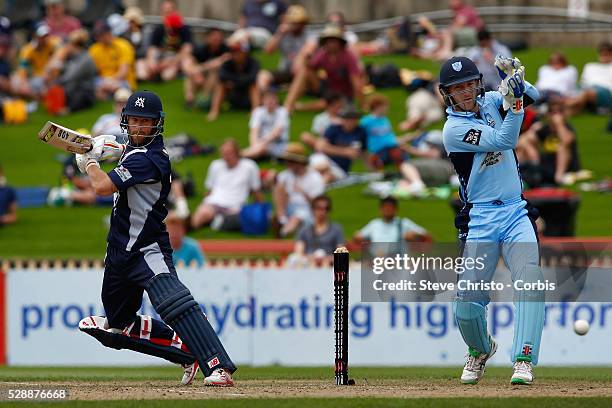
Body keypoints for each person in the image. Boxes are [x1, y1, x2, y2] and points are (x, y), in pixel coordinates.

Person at [74, 90, 236, 386]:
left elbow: (100, 186)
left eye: (143, 122)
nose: (137, 127)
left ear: (156, 125)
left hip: (147, 247)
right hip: (119, 252)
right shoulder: (133, 152)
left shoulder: (152, 159)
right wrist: (107, 148)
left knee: (174, 302)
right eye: (133, 120)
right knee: (114, 329)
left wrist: (91, 162)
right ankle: (186, 353)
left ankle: (218, 366)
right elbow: (123, 153)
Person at [438, 55, 542, 385]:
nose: (466, 92)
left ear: (477, 84)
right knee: (467, 304)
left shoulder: (492, 100)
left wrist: (517, 82)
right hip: (481, 217)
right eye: (458, 88)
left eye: (469, 84)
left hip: (515, 212)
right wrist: (515, 106)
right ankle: (481, 349)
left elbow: (536, 94)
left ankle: (524, 359)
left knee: (529, 282)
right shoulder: (453, 130)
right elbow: (505, 141)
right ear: (447, 93)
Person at [284, 24, 363, 112]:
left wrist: (362, 104)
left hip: (343, 94)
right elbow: (310, 68)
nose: (330, 44)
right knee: (305, 71)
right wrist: (305, 60)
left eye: (332, 41)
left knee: (331, 104)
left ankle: (300, 107)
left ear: (340, 42)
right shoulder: (323, 54)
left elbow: (356, 82)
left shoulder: (348, 56)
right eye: (327, 41)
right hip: (327, 88)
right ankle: (288, 105)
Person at [191, 139, 262, 229]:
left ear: (236, 153)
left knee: (233, 220)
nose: (226, 156)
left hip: (235, 207)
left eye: (229, 153)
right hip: (214, 203)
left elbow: (256, 191)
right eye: (223, 153)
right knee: (201, 215)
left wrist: (259, 209)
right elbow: (209, 190)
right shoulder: (215, 165)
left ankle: (217, 221)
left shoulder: (249, 166)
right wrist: (204, 203)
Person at [517, 97, 580, 186]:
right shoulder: (545, 129)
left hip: (566, 167)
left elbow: (566, 141)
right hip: (547, 164)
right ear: (548, 114)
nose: (555, 116)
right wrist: (532, 131)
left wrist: (559, 125)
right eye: (552, 112)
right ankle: (517, 174)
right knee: (525, 144)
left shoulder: (566, 128)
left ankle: (558, 178)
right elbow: (521, 142)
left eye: (559, 112)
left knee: (561, 147)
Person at [303, 104, 367, 184]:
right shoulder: (334, 129)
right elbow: (320, 147)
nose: (351, 121)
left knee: (328, 176)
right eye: (348, 118)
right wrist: (345, 152)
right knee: (323, 167)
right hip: (323, 158)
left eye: (354, 118)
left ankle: (314, 188)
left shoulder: (360, 132)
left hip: (341, 168)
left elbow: (364, 152)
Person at [273, 143, 325, 237]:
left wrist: (303, 192)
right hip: (287, 208)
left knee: (297, 217)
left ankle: (284, 232)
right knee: (279, 187)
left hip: (307, 210)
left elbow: (318, 204)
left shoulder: (315, 177)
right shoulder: (284, 175)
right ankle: (282, 219)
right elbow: (279, 196)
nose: (287, 163)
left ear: (299, 162)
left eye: (290, 161)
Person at [257, 4, 311, 94]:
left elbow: (308, 51)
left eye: (299, 22)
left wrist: (299, 59)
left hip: (302, 72)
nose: (296, 25)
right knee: (263, 75)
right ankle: (268, 99)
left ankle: (293, 89)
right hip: (285, 70)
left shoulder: (309, 35)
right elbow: (268, 51)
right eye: (293, 22)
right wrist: (279, 33)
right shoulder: (283, 34)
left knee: (300, 66)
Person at [138, 2, 192, 82]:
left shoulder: (183, 28)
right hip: (161, 58)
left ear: (175, 12)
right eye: (165, 12)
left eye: (169, 11)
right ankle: (153, 76)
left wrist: (169, 63)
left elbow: (187, 50)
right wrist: (151, 62)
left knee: (168, 75)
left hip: (174, 60)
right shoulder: (159, 29)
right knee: (142, 71)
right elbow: (152, 49)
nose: (167, 14)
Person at [208, 40, 260, 121]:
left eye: (239, 52)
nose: (236, 55)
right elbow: (222, 76)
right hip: (233, 93)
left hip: (247, 94)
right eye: (234, 52)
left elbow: (252, 78)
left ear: (245, 53)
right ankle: (214, 111)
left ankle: (255, 112)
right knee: (221, 85)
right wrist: (240, 80)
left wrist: (235, 82)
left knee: (253, 86)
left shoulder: (253, 62)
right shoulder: (228, 63)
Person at [48, 29, 97, 113]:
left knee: (73, 89)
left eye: (67, 44)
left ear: (74, 46)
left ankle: (69, 109)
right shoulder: (73, 57)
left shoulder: (85, 59)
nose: (65, 47)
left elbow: (70, 77)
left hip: (84, 93)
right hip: (73, 88)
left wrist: (57, 80)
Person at [289, 195, 345, 266]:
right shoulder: (304, 230)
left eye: (326, 208)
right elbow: (299, 253)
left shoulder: (337, 229)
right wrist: (312, 258)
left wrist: (326, 259)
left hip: (330, 267)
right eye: (319, 208)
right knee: (293, 258)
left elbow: (341, 254)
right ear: (313, 210)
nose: (323, 211)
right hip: (308, 266)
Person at [88, 20, 136, 100]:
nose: (99, 38)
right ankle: (106, 94)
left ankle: (108, 94)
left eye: (101, 35)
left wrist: (109, 81)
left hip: (122, 81)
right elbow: (91, 71)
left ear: (109, 33)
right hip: (102, 80)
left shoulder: (123, 45)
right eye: (97, 35)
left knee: (119, 89)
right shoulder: (94, 48)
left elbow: (123, 71)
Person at [11, 23, 60, 99]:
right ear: (35, 36)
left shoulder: (53, 43)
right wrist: (23, 82)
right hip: (38, 78)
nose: (45, 38)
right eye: (42, 36)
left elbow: (61, 51)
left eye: (46, 35)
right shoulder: (28, 50)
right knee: (17, 81)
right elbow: (22, 67)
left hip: (53, 75)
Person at [353, 196, 430, 244]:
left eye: (390, 207)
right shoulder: (374, 224)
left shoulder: (403, 223)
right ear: (380, 209)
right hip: (377, 261)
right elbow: (358, 237)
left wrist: (415, 236)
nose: (387, 210)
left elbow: (426, 235)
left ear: (396, 209)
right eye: (385, 207)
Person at [183, 28, 230, 108]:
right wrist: (198, 72)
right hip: (203, 75)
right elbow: (190, 63)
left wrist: (201, 68)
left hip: (221, 78)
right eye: (214, 37)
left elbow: (221, 62)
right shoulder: (201, 49)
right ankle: (189, 100)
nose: (216, 40)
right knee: (190, 76)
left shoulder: (225, 49)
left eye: (219, 38)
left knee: (214, 72)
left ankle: (205, 98)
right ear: (207, 38)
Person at [565, 42, 612, 115]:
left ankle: (568, 107)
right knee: (571, 91)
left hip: (605, 93)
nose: (604, 57)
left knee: (587, 93)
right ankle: (570, 109)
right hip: (586, 89)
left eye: (606, 54)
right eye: (602, 54)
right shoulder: (590, 66)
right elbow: (583, 82)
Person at [242, 88, 289, 160]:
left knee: (260, 149)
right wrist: (255, 145)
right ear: (263, 100)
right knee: (259, 149)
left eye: (272, 99)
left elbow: (276, 133)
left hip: (279, 145)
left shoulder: (282, 112)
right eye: (267, 99)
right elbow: (254, 131)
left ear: (277, 100)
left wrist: (260, 144)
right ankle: (243, 156)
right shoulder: (258, 111)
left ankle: (239, 156)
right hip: (260, 144)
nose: (270, 101)